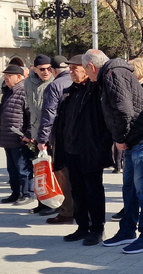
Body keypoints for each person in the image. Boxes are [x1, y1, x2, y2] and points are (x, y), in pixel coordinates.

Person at [86, 49, 143, 254]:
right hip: (135, 139)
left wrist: (119, 139)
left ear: (91, 67)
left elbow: (123, 110)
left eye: (86, 70)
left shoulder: (113, 74)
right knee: (129, 188)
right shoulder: (111, 73)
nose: (87, 75)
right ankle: (127, 230)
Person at [58, 55, 113, 245]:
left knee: (94, 191)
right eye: (70, 68)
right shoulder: (71, 92)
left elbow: (106, 121)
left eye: (75, 68)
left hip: (91, 150)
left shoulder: (96, 90)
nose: (71, 72)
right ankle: (82, 226)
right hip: (72, 149)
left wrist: (102, 146)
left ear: (86, 69)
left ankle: (97, 228)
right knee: (77, 191)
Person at [36, 56, 75, 224]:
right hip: (78, 137)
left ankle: (67, 212)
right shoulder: (77, 82)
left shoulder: (55, 85)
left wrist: (42, 138)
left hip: (59, 137)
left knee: (62, 175)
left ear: (53, 70)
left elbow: (49, 115)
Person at [0, 64, 34, 205]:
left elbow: (31, 116)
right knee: (12, 169)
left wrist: (28, 134)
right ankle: (16, 192)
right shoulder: (8, 92)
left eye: (9, 76)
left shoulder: (24, 91)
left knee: (23, 168)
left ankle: (27, 193)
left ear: (19, 77)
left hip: (20, 138)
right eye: (5, 76)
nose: (6, 78)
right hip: (8, 137)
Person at [26, 54, 59, 216]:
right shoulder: (28, 83)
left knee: (52, 169)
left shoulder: (55, 82)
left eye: (48, 68)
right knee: (39, 170)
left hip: (51, 134)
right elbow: (29, 108)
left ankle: (54, 204)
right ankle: (42, 201)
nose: (46, 72)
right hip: (35, 132)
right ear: (34, 69)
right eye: (42, 69)